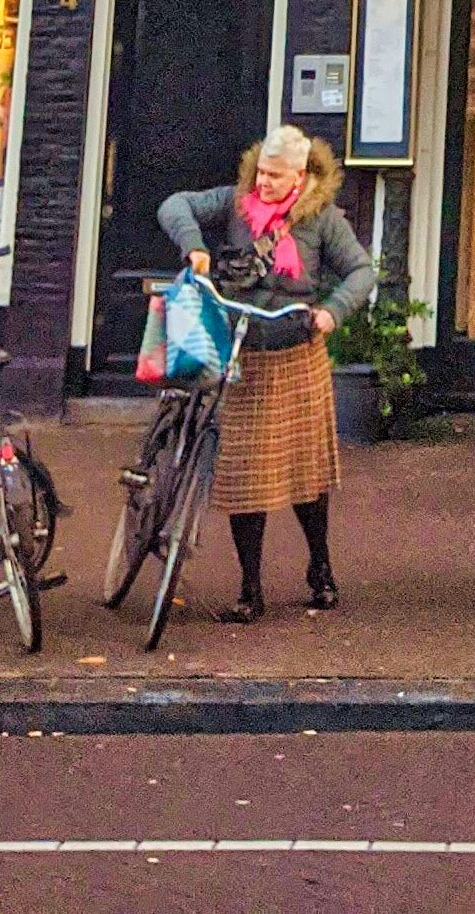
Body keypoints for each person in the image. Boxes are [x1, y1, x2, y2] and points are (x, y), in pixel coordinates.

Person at [159, 126, 374, 618]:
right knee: (243, 476)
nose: (264, 183)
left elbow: (362, 271)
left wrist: (332, 310)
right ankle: (249, 591)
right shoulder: (236, 202)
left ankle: (320, 567)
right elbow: (175, 205)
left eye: (276, 176)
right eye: (261, 172)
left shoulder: (323, 220)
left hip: (297, 354)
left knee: (307, 474)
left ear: (300, 176)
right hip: (245, 356)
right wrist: (195, 246)